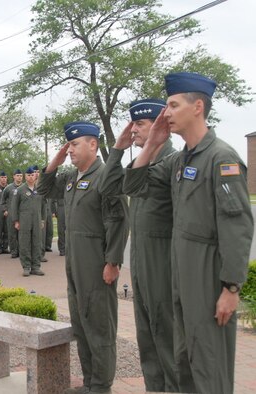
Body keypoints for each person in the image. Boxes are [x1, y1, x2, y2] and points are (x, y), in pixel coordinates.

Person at [123, 72, 253, 394]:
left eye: (172, 105)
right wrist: (152, 143)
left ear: (197, 107)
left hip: (207, 276)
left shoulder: (221, 158)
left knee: (209, 365)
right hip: (180, 276)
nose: (165, 113)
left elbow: (237, 226)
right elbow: (134, 185)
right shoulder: (179, 161)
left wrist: (231, 288)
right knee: (184, 364)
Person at [37, 121, 129, 394]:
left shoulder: (107, 176)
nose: (70, 150)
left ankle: (101, 386)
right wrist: (55, 161)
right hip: (74, 262)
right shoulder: (70, 178)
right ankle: (89, 382)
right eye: (68, 146)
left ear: (93, 144)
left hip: (97, 261)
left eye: (75, 144)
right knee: (81, 324)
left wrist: (113, 261)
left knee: (99, 325)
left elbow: (119, 221)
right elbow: (43, 190)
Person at [98, 98, 179, 392]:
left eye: (139, 125)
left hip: (165, 263)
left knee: (168, 341)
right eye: (131, 126)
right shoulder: (140, 162)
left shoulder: (174, 161)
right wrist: (118, 148)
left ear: (160, 125)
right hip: (143, 265)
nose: (133, 130)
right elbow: (106, 188)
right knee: (147, 341)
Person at [10, 167, 46, 276]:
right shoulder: (20, 190)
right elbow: (14, 206)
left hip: (36, 219)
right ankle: (26, 267)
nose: (31, 177)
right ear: (25, 176)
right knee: (24, 243)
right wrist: (16, 221)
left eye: (32, 175)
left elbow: (43, 206)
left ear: (35, 176)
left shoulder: (39, 189)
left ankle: (36, 267)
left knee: (37, 243)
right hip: (24, 220)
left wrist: (43, 219)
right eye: (28, 175)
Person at [2, 168, 23, 258]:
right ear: (14, 176)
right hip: (11, 214)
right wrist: (5, 210)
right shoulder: (9, 188)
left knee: (22, 234)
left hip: (22, 214)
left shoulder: (24, 187)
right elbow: (2, 200)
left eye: (21, 176)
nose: (19, 177)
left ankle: (22, 251)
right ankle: (14, 251)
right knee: (12, 234)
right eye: (17, 176)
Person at [0, 171, 9, 254]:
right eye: (2, 177)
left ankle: (5, 247)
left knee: (7, 230)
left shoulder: (9, 188)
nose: (4, 179)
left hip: (8, 210)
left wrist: (7, 209)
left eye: (5, 177)